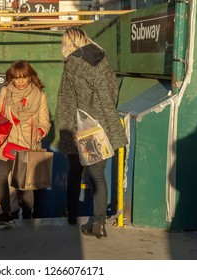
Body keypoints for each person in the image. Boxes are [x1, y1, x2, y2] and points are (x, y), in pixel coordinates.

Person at [57, 28, 127, 238]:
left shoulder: (72, 63)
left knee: (75, 171)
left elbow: (68, 101)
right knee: (98, 176)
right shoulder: (102, 59)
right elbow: (112, 92)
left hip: (82, 128)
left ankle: (71, 215)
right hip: (102, 125)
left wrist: (69, 133)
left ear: (69, 42)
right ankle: (99, 223)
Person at [0, 60, 51, 226]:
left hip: (27, 147)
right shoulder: (5, 92)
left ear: (30, 77)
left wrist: (40, 131)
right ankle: (6, 212)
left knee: (25, 189)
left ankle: (27, 217)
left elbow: (45, 122)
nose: (20, 81)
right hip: (6, 144)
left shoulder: (40, 97)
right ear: (11, 78)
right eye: (16, 78)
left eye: (23, 77)